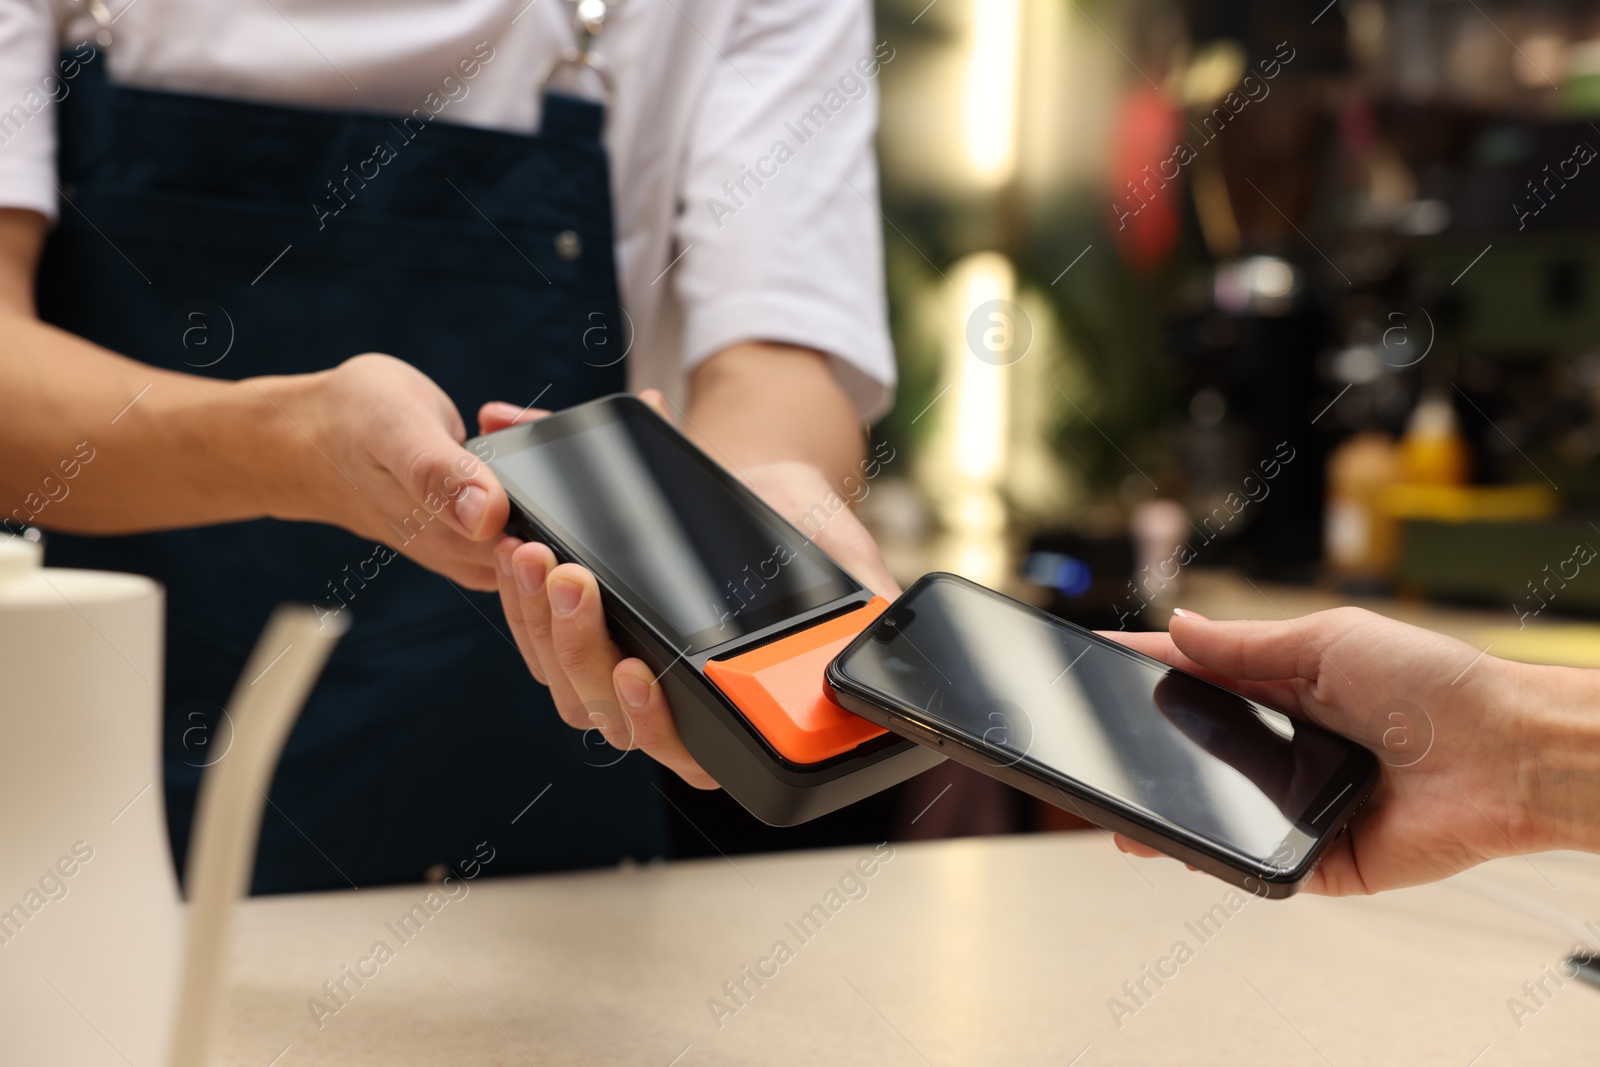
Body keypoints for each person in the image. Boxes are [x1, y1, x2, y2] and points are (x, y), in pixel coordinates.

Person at [0, 0, 898, 892]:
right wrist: (289, 446)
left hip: (536, 845)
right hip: (71, 821)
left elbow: (779, 362)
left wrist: (752, 514)